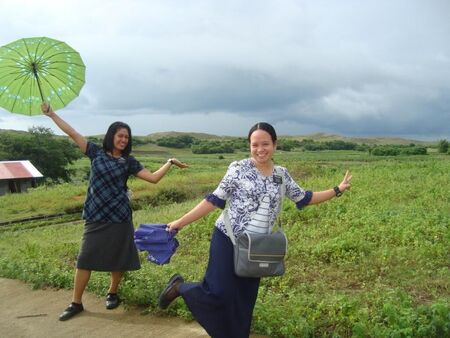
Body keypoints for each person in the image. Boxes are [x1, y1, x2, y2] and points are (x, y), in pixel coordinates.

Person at [158, 122, 352, 338]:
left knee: (244, 301)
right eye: (255, 145)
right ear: (249, 146)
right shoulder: (238, 169)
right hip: (228, 238)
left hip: (257, 246)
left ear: (275, 145)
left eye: (265, 144)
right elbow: (213, 200)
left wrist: (337, 189)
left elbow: (305, 198)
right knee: (218, 293)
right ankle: (180, 288)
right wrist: (180, 222)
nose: (260, 149)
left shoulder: (281, 175)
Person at [40, 102, 188, 321]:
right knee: (85, 258)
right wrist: (52, 114)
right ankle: (76, 302)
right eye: (120, 136)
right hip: (95, 216)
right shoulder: (95, 152)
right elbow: (72, 132)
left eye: (127, 137)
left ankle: (112, 293)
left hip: (119, 217)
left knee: (119, 257)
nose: (123, 140)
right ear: (111, 136)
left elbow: (154, 178)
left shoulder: (128, 162)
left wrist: (169, 162)